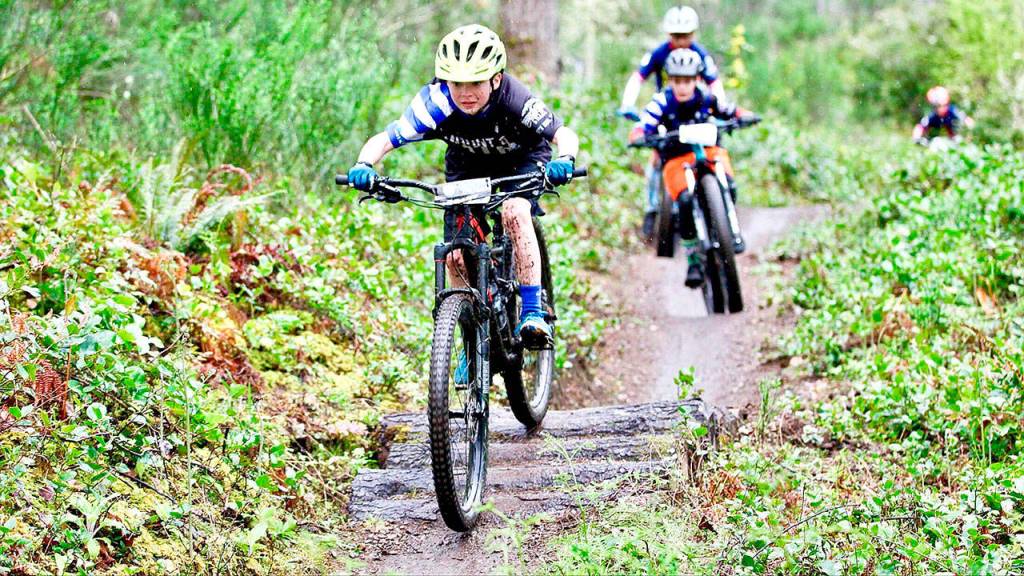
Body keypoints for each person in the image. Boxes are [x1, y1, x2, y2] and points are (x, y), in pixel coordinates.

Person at [347, 24, 579, 350]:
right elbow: (386, 140)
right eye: (457, 83)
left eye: (476, 83)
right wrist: (363, 165)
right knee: (456, 255)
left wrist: (565, 159)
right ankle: (469, 346)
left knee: (514, 211)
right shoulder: (435, 104)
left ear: (495, 79)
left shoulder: (515, 99)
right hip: (467, 166)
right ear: (445, 81)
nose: (466, 92)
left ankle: (531, 313)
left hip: (522, 161)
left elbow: (563, 134)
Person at [629, 48, 754, 287]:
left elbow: (729, 110)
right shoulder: (662, 102)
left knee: (729, 182)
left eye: (687, 81)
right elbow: (645, 124)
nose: (683, 87)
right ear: (670, 81)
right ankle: (693, 258)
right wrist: (639, 134)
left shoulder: (706, 97)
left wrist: (743, 115)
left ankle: (730, 229)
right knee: (684, 201)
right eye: (677, 81)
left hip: (709, 151)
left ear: (696, 79)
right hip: (676, 160)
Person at [616, 6, 729, 239]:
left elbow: (714, 83)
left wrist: (720, 107)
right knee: (657, 159)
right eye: (676, 36)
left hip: (694, 110)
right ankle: (652, 209)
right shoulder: (659, 53)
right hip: (665, 112)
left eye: (686, 36)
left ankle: (720, 204)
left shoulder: (700, 54)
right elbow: (638, 78)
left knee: (715, 146)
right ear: (669, 35)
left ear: (694, 34)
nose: (681, 41)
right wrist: (627, 104)